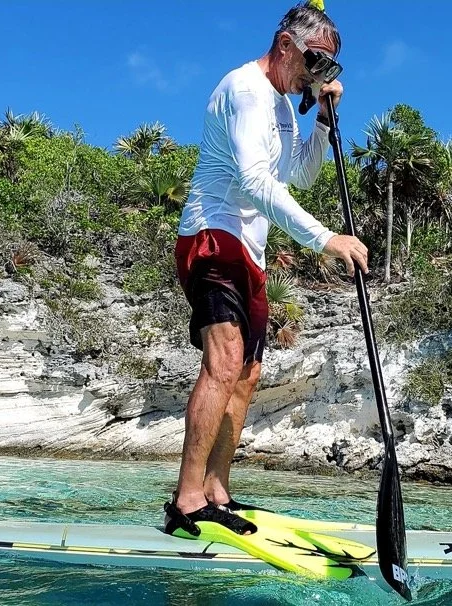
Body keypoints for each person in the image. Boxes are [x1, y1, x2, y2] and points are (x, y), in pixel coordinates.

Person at [163, 2, 369, 537]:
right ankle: (186, 500)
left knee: (248, 372)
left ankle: (217, 491)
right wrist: (325, 239)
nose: (318, 73)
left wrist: (322, 120)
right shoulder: (245, 91)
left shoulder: (280, 104)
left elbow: (297, 172)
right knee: (225, 361)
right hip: (212, 235)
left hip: (249, 250)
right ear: (285, 46)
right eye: (316, 60)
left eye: (329, 67)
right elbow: (256, 182)